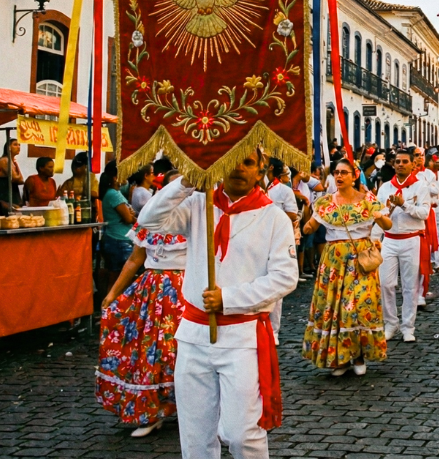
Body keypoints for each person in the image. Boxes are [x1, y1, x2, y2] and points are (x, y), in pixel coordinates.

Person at [136, 149, 298, 458]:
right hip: (194, 336)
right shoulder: (199, 205)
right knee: (196, 436)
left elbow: (284, 277)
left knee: (242, 435)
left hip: (242, 338)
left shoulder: (273, 217)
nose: (239, 168)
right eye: (231, 161)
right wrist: (187, 181)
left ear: (261, 170)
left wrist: (229, 299)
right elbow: (150, 220)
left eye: (248, 162)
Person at [96, 183, 188, 437]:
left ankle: (194, 409)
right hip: (151, 292)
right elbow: (135, 259)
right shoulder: (150, 222)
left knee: (179, 352)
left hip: (185, 291)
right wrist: (113, 293)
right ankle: (151, 411)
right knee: (149, 351)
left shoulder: (195, 220)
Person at [302, 158, 392, 376]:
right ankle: (339, 357)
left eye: (344, 172)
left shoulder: (368, 200)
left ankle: (359, 354)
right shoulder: (325, 203)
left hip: (361, 259)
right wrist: (305, 221)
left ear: (354, 176)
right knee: (336, 308)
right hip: (334, 260)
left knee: (360, 305)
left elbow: (388, 225)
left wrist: (379, 216)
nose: (339, 176)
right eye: (336, 173)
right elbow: (309, 227)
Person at [375, 149, 431, 343]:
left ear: (412, 164)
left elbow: (424, 213)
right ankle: (390, 323)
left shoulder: (420, 186)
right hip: (389, 239)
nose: (400, 164)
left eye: (404, 161)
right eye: (397, 161)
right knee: (385, 283)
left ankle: (408, 326)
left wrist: (404, 205)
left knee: (410, 286)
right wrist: (389, 208)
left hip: (411, 239)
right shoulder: (385, 188)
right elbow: (378, 213)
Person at [99, 162, 137, 278]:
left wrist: (131, 215)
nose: (127, 176)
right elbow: (128, 218)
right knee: (119, 278)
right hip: (119, 241)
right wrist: (132, 217)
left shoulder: (116, 192)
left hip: (119, 239)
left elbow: (130, 215)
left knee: (116, 277)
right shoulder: (113, 194)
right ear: (115, 178)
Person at [0, 138, 24, 206]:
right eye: (15, 145)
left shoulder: (13, 162)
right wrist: (17, 169)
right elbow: (16, 178)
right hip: (5, 193)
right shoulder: (5, 160)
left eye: (19, 145)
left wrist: (16, 165)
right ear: (8, 147)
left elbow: (21, 180)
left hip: (12, 192)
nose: (18, 147)